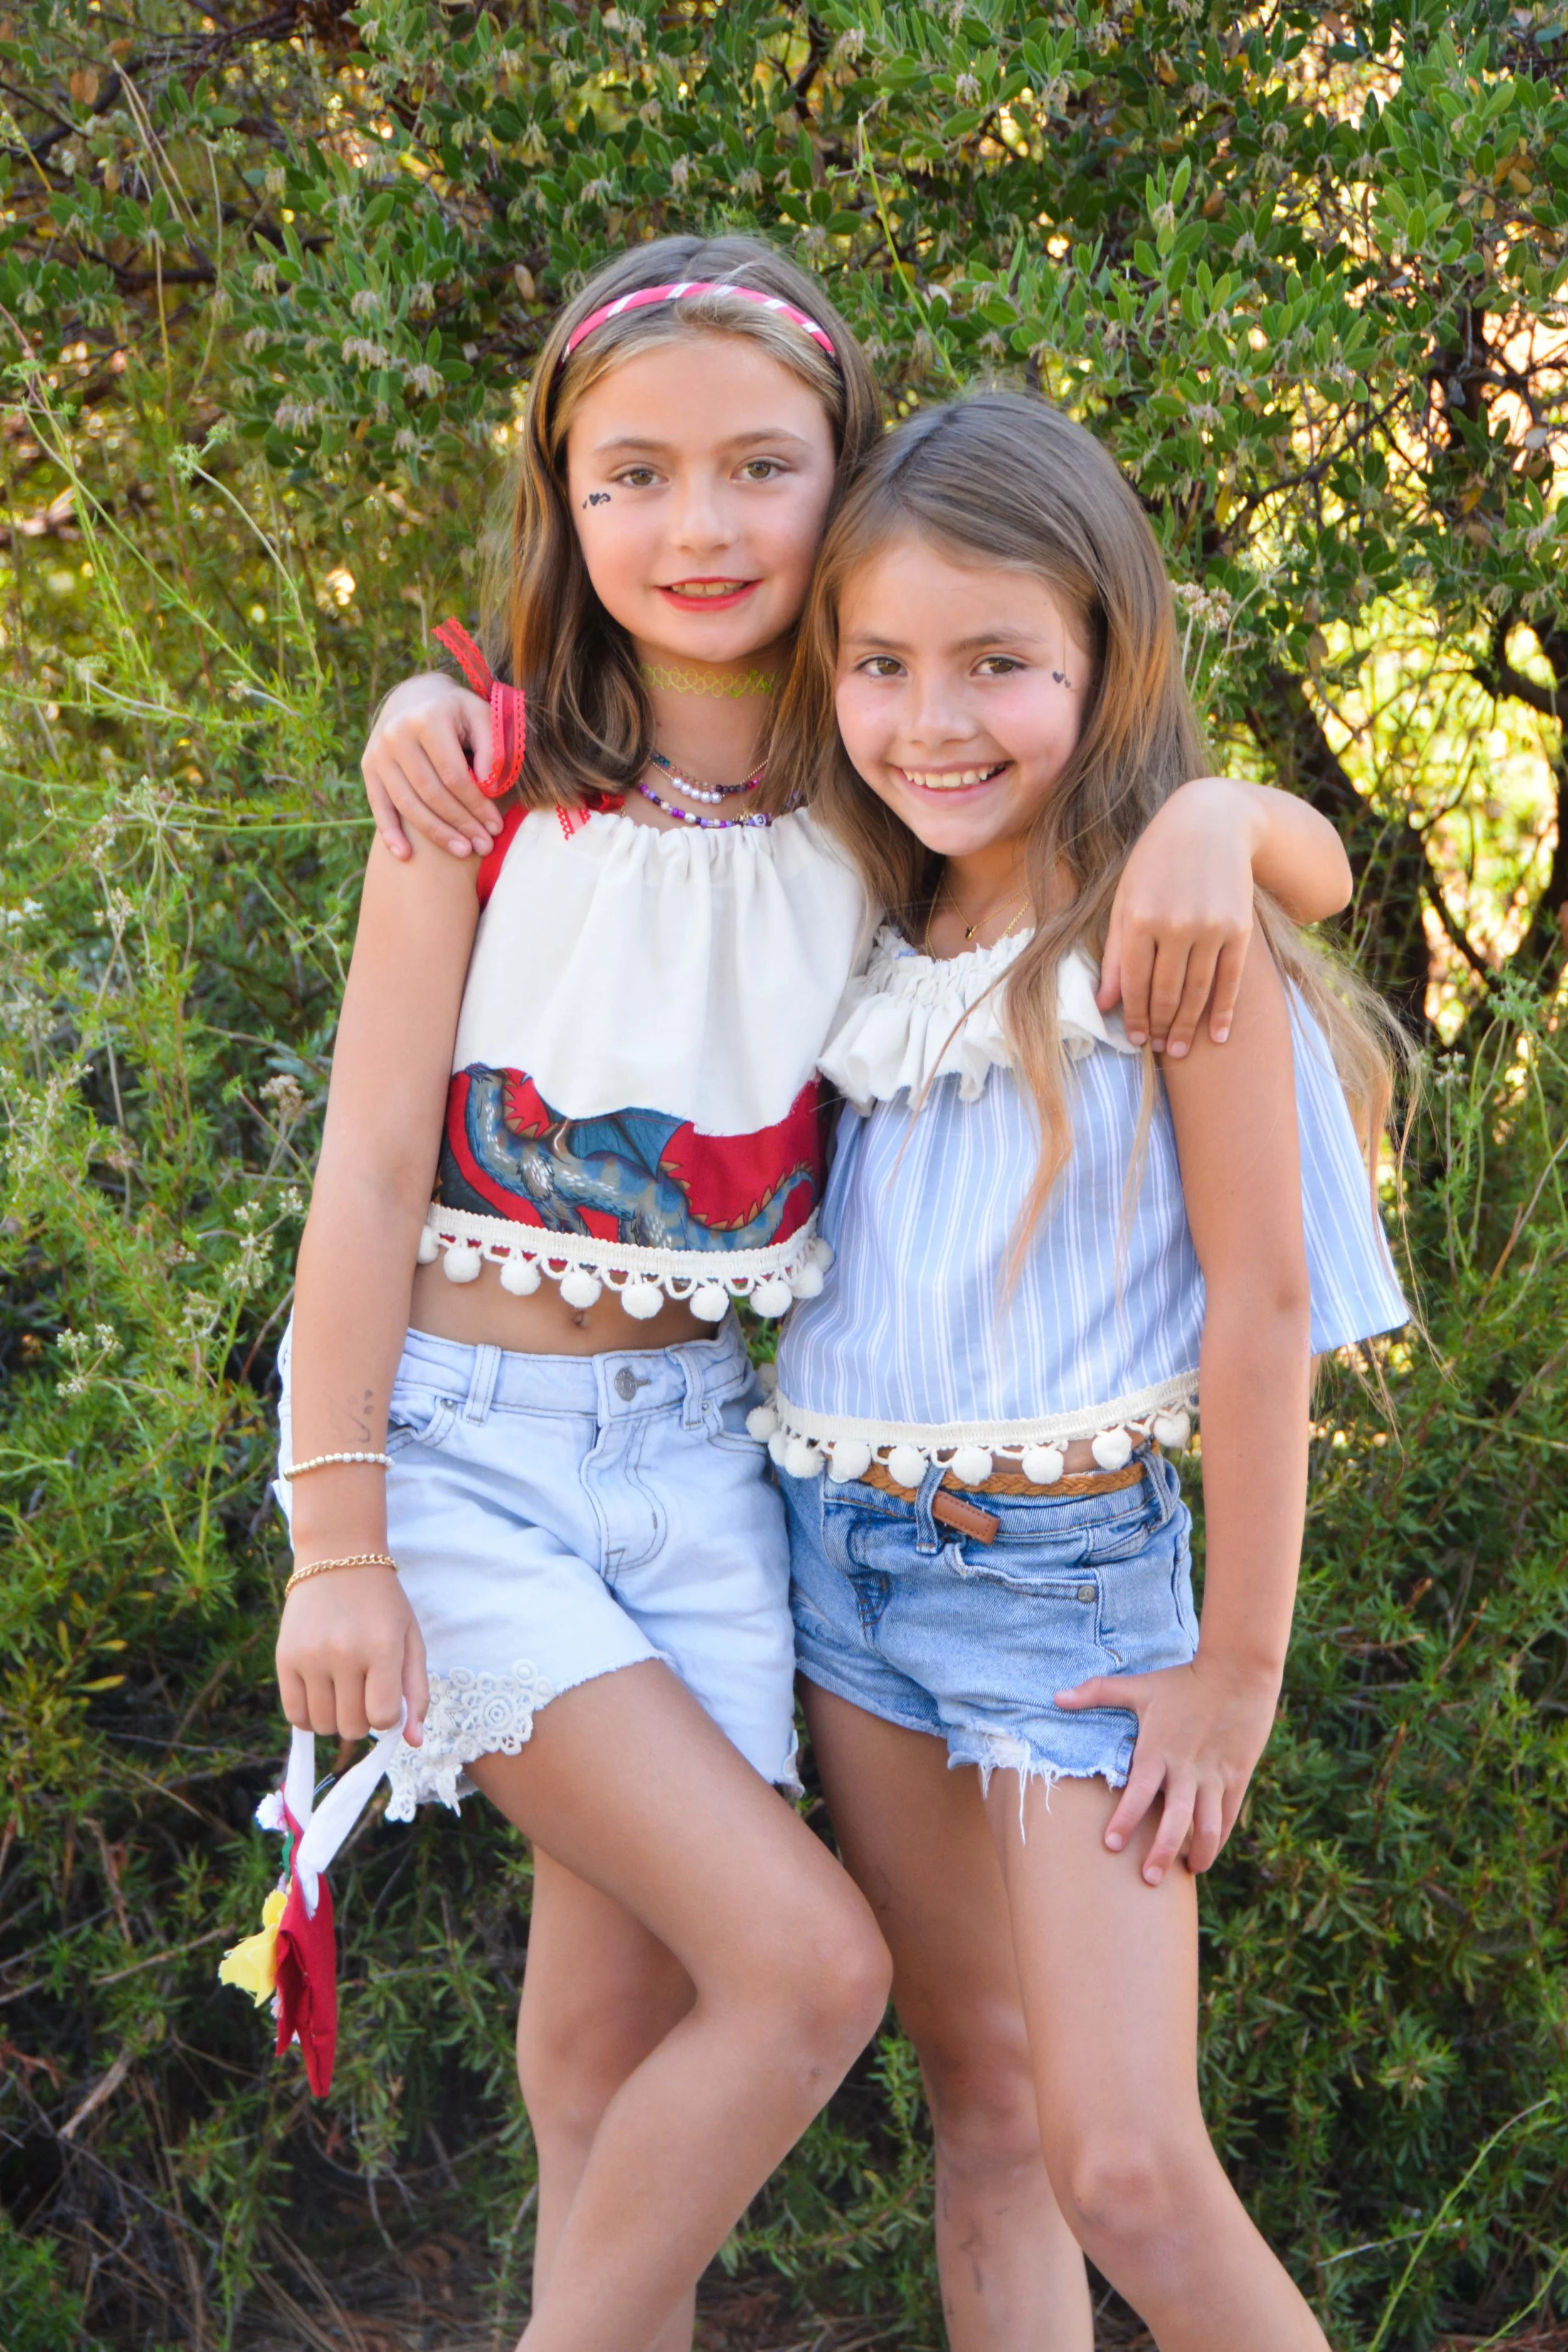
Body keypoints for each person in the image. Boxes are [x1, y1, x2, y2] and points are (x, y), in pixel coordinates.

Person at [317, 237, 1353, 2345]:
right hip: (570, 1478)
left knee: (726, 2071)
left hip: (765, 1484)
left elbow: (1246, 1251)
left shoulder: (888, 818)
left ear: (842, 486)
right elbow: (365, 1158)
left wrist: (1223, 817)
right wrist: (333, 1527)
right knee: (784, 2004)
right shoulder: (531, 788)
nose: (700, 525)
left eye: (761, 469)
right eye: (637, 475)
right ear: (563, 486)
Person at [754, 391, 1409, 2351]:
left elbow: (1261, 1309)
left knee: (1127, 2161)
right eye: (879, 664)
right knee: (993, 2113)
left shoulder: (1165, 930)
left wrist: (1239, 1662)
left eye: (997, 665)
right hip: (842, 1572)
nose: (930, 719)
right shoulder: (873, 916)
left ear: (1105, 663)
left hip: (1066, 1606)